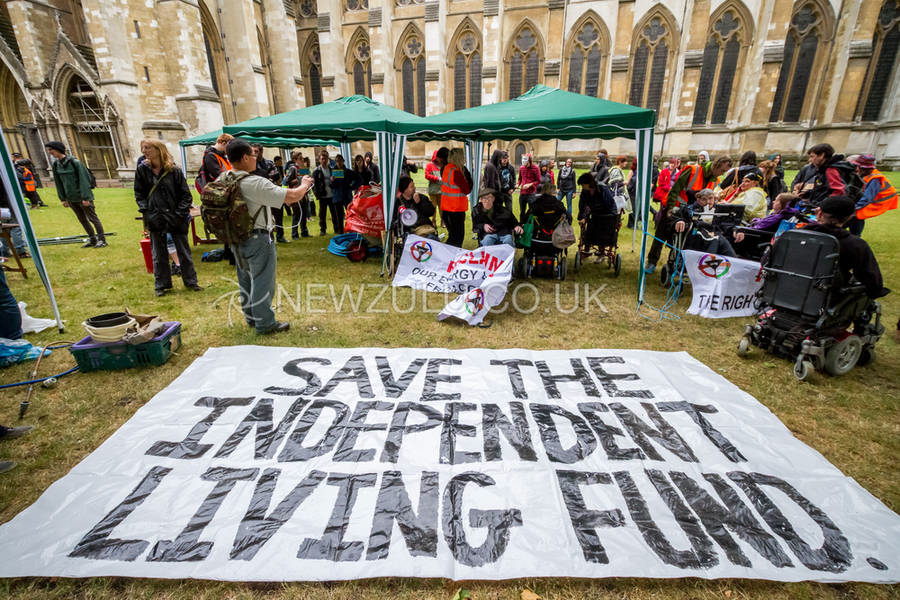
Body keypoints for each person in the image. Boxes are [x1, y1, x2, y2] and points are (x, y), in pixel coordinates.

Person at [225, 138, 314, 334]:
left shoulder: (224, 178)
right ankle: (265, 323)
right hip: (257, 237)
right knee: (262, 281)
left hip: (235, 236)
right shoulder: (254, 182)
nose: (256, 157)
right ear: (246, 157)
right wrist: (305, 184)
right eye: (253, 154)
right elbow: (291, 197)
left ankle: (251, 317)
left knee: (245, 279)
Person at [134, 139, 201, 297]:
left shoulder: (174, 170)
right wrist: (147, 210)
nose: (144, 151)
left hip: (175, 216)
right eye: (143, 148)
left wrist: (179, 214)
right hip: (155, 216)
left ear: (158, 149)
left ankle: (191, 281)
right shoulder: (142, 170)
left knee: (183, 251)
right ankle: (161, 285)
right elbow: (139, 193)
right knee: (158, 252)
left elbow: (185, 195)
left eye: (148, 147)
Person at [645, 155, 732, 272]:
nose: (722, 174)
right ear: (716, 165)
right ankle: (652, 262)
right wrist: (670, 208)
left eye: (725, 172)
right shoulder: (693, 170)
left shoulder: (715, 180)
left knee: (682, 238)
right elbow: (676, 189)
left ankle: (673, 265)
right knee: (661, 234)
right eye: (722, 170)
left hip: (691, 213)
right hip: (674, 207)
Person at [793, 196, 887, 299]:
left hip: (788, 289)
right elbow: (872, 280)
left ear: (819, 214)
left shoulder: (794, 236)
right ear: (850, 217)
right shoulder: (855, 244)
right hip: (826, 296)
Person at [45, 141, 107, 248]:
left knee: (93, 218)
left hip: (83, 197)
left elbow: (84, 180)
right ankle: (92, 239)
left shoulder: (75, 163)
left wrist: (85, 197)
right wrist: (63, 198)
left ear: (58, 149)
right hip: (71, 198)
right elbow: (58, 183)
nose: (50, 152)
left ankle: (102, 240)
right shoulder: (56, 165)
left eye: (51, 150)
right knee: (82, 220)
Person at [849, 154, 897, 236]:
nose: (857, 168)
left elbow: (867, 198)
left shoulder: (875, 179)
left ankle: (855, 237)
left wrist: (854, 209)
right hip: (869, 200)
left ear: (864, 168)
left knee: (857, 216)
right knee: (855, 217)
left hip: (879, 202)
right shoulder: (866, 175)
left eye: (858, 166)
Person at [441, 147, 472, 248]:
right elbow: (467, 189)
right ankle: (450, 259)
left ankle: (448, 257)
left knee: (453, 237)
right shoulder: (457, 172)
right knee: (457, 238)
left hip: (447, 208)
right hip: (455, 210)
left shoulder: (447, 168)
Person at [396, 176, 438, 240]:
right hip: (409, 233)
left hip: (426, 229)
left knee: (432, 240)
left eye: (414, 185)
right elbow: (396, 222)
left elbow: (431, 212)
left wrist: (420, 203)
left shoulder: (421, 197)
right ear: (405, 190)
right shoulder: (398, 203)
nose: (414, 188)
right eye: (411, 187)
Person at [282, 151, 311, 239]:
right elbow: (287, 181)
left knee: (304, 213)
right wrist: (298, 180)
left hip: (304, 194)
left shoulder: (303, 168)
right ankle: (294, 234)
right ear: (295, 159)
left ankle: (304, 232)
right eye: (300, 158)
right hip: (296, 194)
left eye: (302, 158)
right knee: (297, 214)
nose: (302, 160)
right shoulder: (293, 168)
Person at [313, 150, 336, 236]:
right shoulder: (316, 171)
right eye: (322, 159)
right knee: (322, 214)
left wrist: (333, 181)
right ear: (319, 160)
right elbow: (314, 185)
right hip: (322, 196)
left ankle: (336, 228)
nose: (324, 160)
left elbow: (335, 182)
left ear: (328, 159)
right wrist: (317, 195)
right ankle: (323, 230)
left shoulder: (331, 169)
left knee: (334, 213)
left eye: (325, 158)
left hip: (331, 195)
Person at [330, 154, 354, 234]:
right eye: (337, 161)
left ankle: (350, 230)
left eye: (340, 160)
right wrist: (332, 181)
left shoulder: (348, 171)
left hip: (347, 196)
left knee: (350, 215)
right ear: (335, 162)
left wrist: (350, 184)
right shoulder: (333, 172)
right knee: (339, 217)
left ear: (343, 161)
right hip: (338, 197)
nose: (339, 162)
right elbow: (332, 186)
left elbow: (353, 181)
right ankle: (341, 232)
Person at [425, 148, 447, 225]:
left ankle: (443, 221)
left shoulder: (443, 165)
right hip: (433, 191)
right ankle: (433, 221)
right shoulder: (429, 165)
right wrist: (437, 178)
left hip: (442, 191)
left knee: (442, 208)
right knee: (433, 207)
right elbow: (427, 175)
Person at [517, 153, 541, 221]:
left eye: (526, 162)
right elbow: (520, 179)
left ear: (529, 161)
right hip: (522, 194)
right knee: (522, 212)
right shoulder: (521, 168)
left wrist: (530, 184)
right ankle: (521, 226)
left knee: (532, 211)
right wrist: (517, 184)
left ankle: (531, 227)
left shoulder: (536, 168)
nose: (524, 164)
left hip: (531, 194)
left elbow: (538, 181)